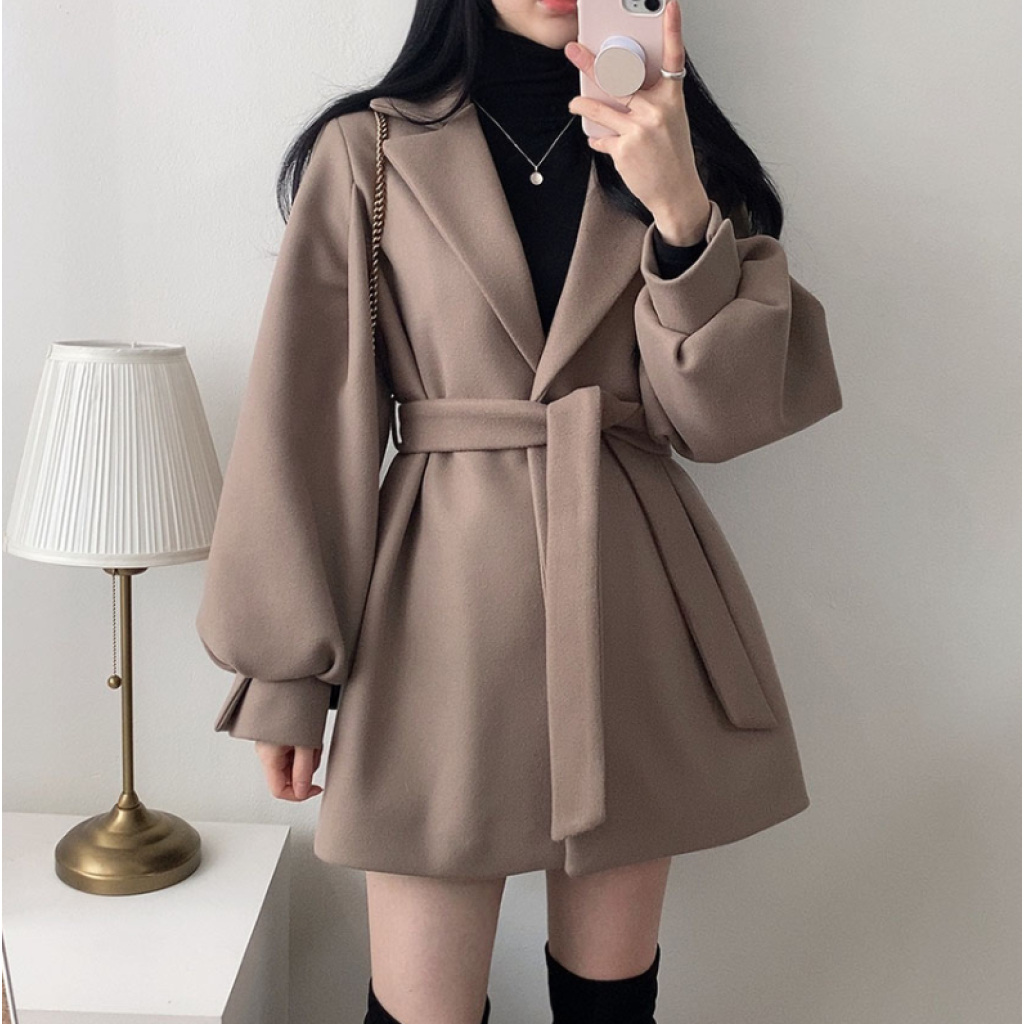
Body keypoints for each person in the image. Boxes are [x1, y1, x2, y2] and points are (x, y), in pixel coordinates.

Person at [195, 2, 843, 1022]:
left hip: (631, 615)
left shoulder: (676, 147)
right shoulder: (369, 151)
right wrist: (284, 677)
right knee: (420, 1010)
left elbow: (722, 420)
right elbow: (307, 417)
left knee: (610, 1006)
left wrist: (681, 212)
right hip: (435, 625)